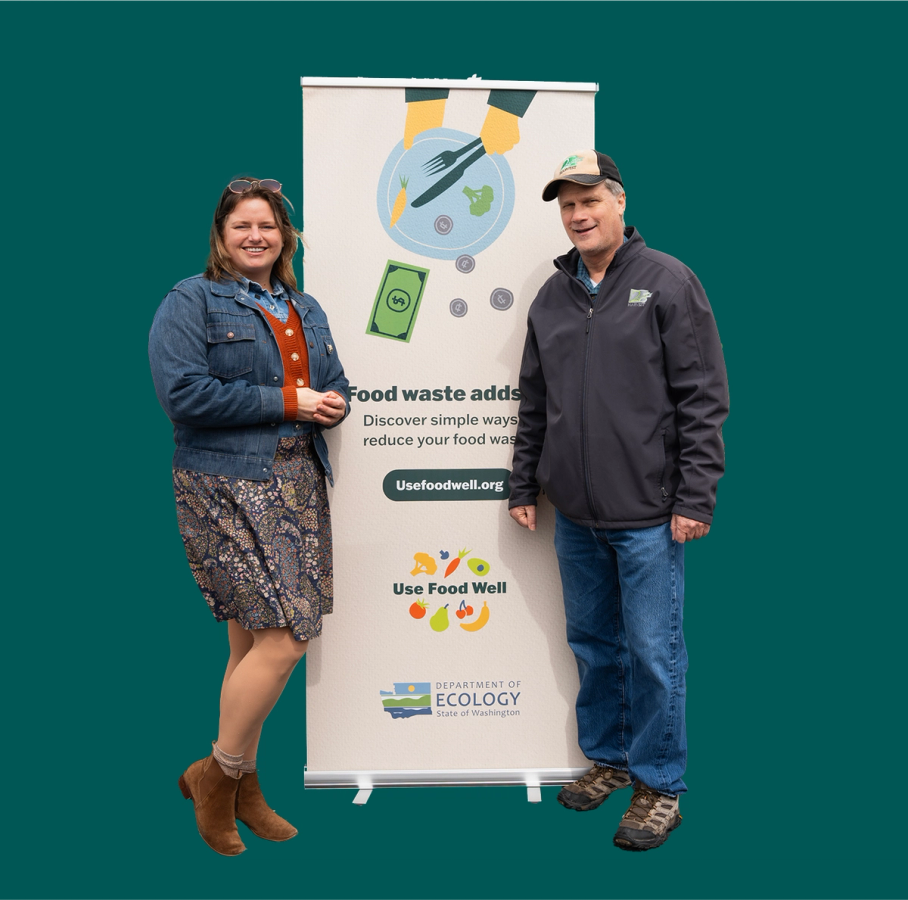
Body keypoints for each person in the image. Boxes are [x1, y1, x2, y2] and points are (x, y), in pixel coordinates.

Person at [508, 150, 729, 852]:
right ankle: (609, 759)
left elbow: (703, 398)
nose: (578, 215)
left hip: (650, 515)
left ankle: (660, 785)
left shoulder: (667, 281)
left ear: (620, 202)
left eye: (590, 201)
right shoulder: (554, 296)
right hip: (575, 515)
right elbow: (534, 400)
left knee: (654, 652)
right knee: (595, 647)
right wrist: (523, 484)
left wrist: (695, 495)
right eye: (568, 205)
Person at [148, 178, 349, 856]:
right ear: (221, 236)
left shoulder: (305, 305)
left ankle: (242, 784)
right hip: (226, 482)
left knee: (248, 646)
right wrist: (291, 401)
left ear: (284, 237)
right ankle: (218, 778)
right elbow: (183, 394)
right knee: (286, 639)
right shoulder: (192, 300)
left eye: (267, 225)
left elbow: (334, 377)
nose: (256, 236)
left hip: (297, 481)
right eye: (242, 226)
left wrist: (334, 402)